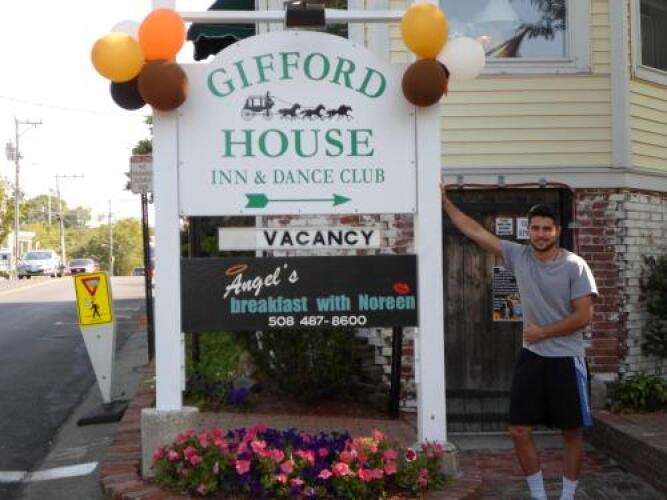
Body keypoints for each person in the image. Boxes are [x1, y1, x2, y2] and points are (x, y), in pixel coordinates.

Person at [441, 187, 598, 500]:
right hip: (532, 356)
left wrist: (544, 332)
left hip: (567, 359)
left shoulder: (575, 265)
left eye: (546, 229)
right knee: (518, 430)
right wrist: (444, 201)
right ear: (529, 231)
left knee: (571, 432)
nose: (540, 234)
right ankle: (538, 495)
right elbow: (475, 232)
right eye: (535, 229)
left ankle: (567, 496)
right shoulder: (519, 255)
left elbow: (584, 316)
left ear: (557, 231)